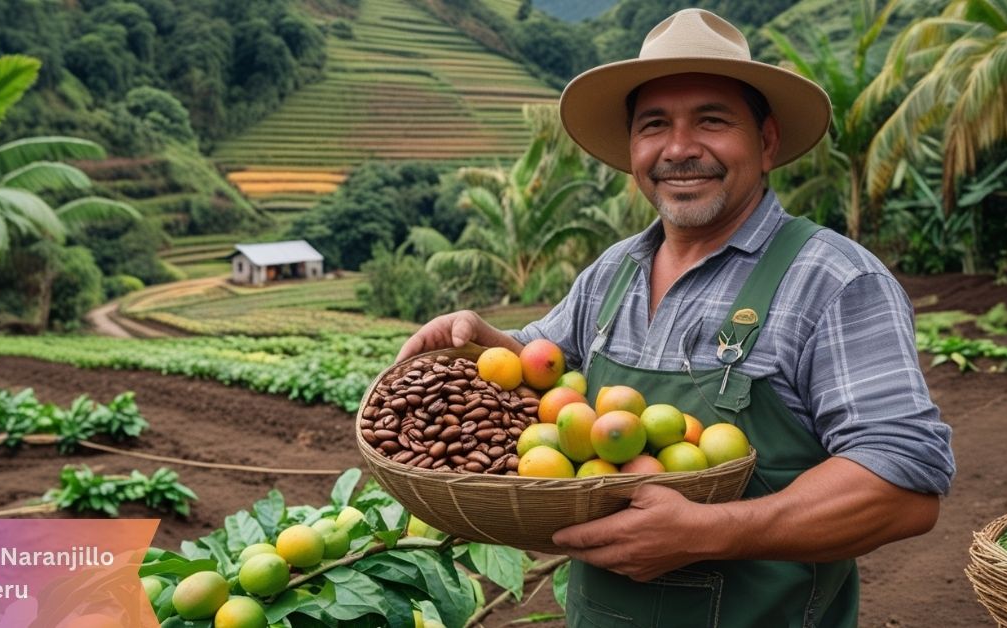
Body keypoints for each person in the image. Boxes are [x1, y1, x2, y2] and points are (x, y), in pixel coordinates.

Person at [395, 8, 955, 627]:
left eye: (712, 120)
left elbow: (904, 485)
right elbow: (536, 371)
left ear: (765, 141)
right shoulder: (613, 272)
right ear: (633, 148)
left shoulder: (833, 279)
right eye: (654, 125)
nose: (680, 149)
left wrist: (714, 531)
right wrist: (480, 341)